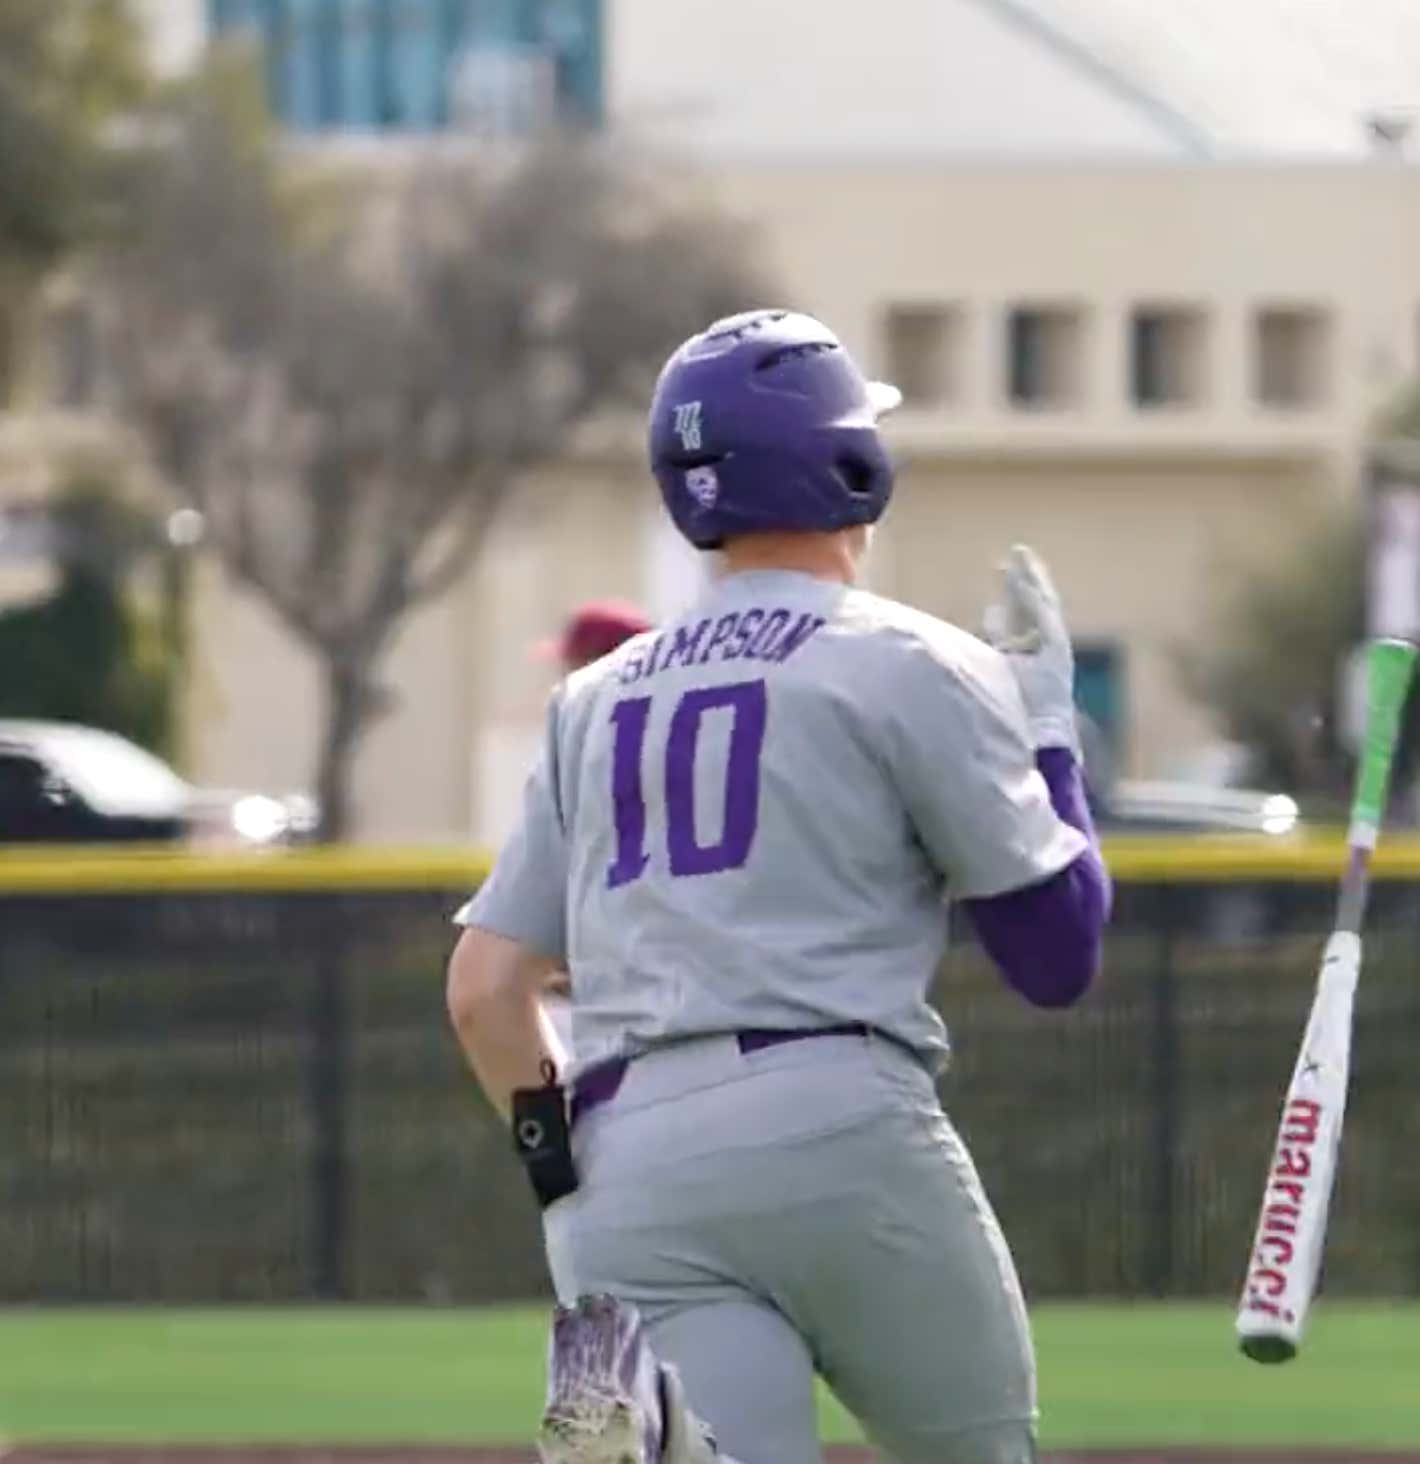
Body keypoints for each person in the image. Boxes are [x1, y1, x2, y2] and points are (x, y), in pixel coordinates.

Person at [446, 310, 1111, 1464]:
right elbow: (1056, 957)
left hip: (625, 1156)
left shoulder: (592, 697)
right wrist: (1049, 737)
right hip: (840, 1121)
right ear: (850, 460)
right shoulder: (911, 660)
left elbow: (484, 991)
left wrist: (567, 1177)